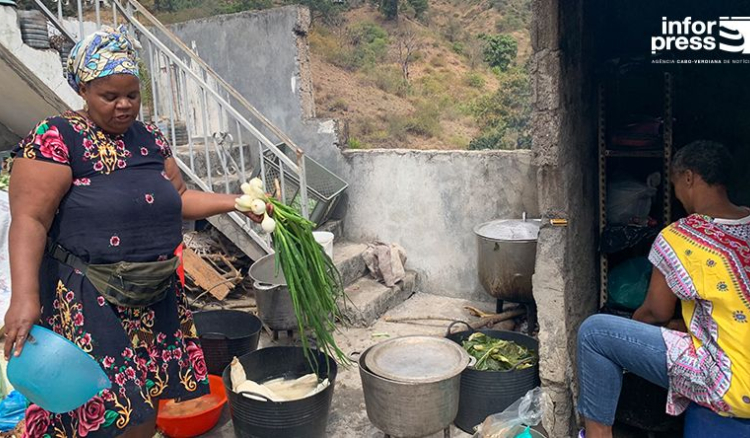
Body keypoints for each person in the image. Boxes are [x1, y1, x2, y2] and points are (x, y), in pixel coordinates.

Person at [4, 26, 261, 438]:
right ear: (84, 90)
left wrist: (236, 203)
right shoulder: (56, 137)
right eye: (110, 96)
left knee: (144, 403)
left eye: (132, 95)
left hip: (153, 297)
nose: (124, 106)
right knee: (97, 411)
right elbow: (29, 220)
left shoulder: (149, 140)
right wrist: (24, 298)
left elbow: (179, 197)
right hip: (89, 298)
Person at [576, 140, 750, 438]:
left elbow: (656, 313)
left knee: (594, 334)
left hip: (729, 382)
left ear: (689, 177)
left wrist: (629, 333)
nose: (677, 194)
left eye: (675, 183)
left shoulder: (679, 237)